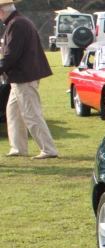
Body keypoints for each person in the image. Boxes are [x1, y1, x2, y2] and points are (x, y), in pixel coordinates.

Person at [0, 0, 58, 159]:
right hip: (19, 77)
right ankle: (18, 148)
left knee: (31, 114)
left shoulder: (17, 24)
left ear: (2, 11)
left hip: (23, 77)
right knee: (13, 113)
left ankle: (48, 149)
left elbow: (11, 54)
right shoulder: (19, 22)